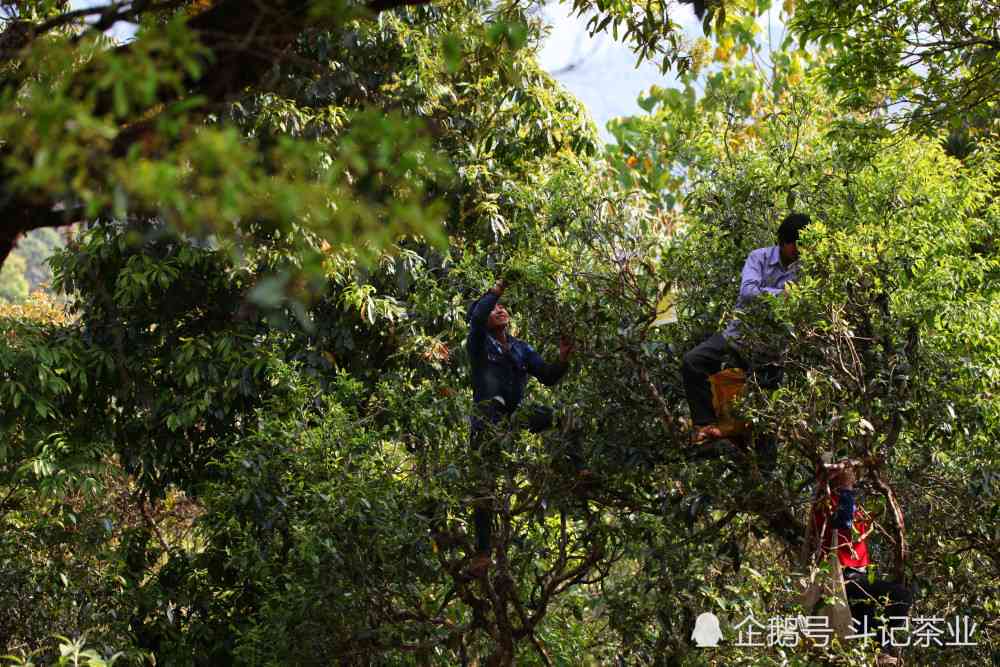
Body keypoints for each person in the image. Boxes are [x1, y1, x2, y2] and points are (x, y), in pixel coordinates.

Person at [464, 274, 576, 576]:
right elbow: (475, 319)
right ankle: (483, 553)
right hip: (487, 421)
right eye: (493, 309)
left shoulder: (521, 348)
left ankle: (580, 473)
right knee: (483, 486)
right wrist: (496, 289)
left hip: (513, 420)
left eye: (502, 307)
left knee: (561, 416)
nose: (499, 310)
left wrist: (563, 359)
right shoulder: (478, 343)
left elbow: (548, 376)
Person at [681, 213, 811, 443]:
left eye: (802, 244)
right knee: (693, 361)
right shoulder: (758, 257)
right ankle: (705, 425)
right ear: (782, 240)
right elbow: (748, 292)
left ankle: (766, 470)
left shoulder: (805, 271)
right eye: (794, 243)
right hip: (738, 337)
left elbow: (807, 304)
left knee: (767, 416)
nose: (797, 249)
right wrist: (784, 295)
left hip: (770, 351)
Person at [811, 461, 913, 663]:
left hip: (859, 574)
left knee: (866, 618)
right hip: (843, 577)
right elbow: (844, 523)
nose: (852, 475)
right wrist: (847, 488)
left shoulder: (845, 501)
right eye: (846, 472)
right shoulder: (827, 502)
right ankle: (880, 647)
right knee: (901, 595)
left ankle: (877, 652)